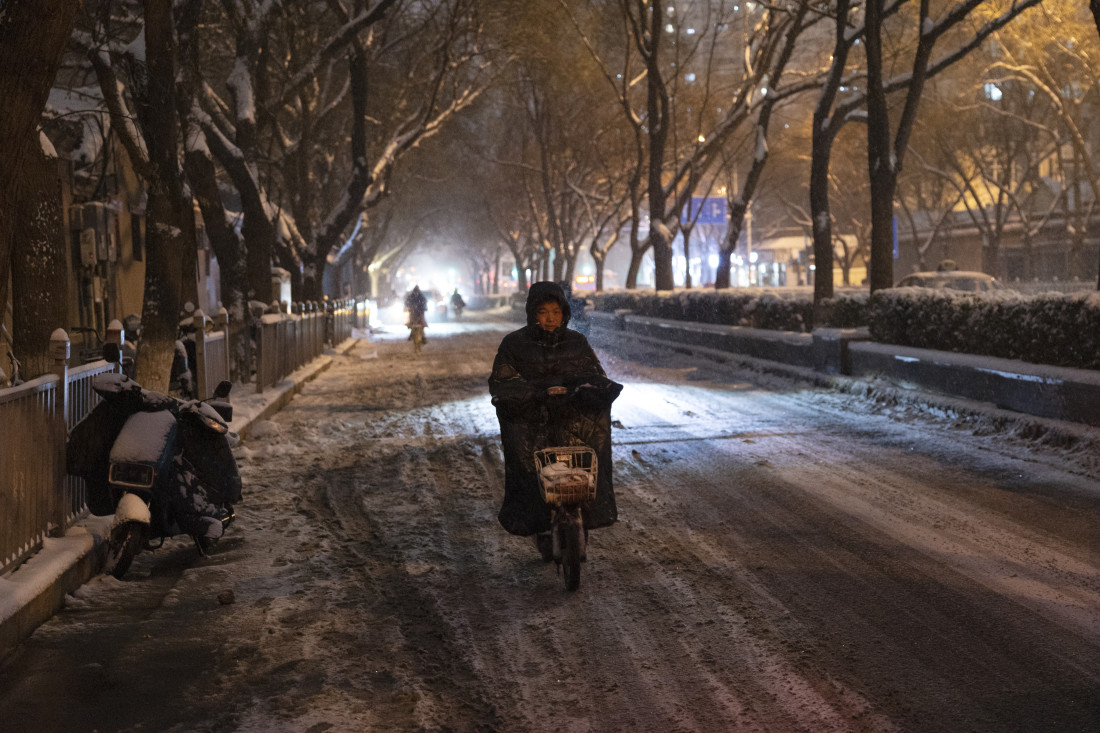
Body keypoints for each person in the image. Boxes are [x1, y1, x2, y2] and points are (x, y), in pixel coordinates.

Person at [488, 281, 623, 561]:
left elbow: (594, 374)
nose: (550, 318)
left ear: (564, 313)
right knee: (530, 472)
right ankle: (540, 526)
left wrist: (586, 390)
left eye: (556, 312)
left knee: (583, 467)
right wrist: (531, 394)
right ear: (532, 313)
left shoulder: (577, 342)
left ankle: (582, 516)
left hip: (571, 418)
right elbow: (503, 379)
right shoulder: (514, 344)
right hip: (533, 420)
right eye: (543, 312)